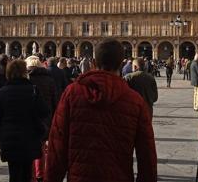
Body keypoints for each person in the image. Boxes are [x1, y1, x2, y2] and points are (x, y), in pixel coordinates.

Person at [45, 39, 157, 182]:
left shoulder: (71, 94)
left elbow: (56, 146)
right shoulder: (135, 101)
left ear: (94, 63)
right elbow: (147, 156)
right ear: (121, 64)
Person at [0, 59, 48, 182]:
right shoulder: (33, 90)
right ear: (24, 72)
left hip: (9, 139)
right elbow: (44, 111)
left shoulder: (3, 92)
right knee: (27, 174)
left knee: (13, 173)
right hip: (29, 137)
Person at [26, 56, 57, 182]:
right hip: (45, 117)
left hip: (29, 118)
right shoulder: (49, 80)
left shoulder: (26, 79)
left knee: (28, 148)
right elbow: (54, 100)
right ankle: (40, 174)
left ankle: (32, 176)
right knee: (41, 147)